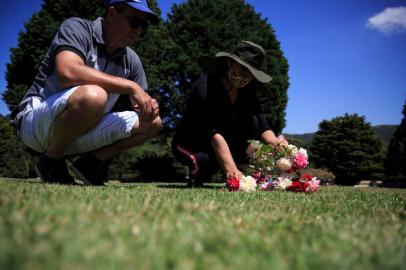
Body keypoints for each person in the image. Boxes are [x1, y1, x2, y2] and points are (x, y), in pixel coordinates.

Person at [10, 0, 162, 186]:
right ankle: (51, 160)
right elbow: (68, 72)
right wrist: (131, 86)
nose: (138, 31)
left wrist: (149, 105)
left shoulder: (131, 59)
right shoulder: (77, 28)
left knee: (153, 122)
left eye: (143, 26)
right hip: (36, 124)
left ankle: (91, 163)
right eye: (135, 22)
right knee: (94, 95)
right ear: (112, 13)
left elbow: (143, 100)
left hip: (82, 129)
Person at [172, 41, 287, 187]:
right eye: (242, 68)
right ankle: (197, 173)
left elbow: (263, 125)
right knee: (203, 161)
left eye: (250, 72)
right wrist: (231, 171)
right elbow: (214, 133)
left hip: (222, 143)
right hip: (190, 142)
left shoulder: (247, 91)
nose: (245, 75)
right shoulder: (206, 87)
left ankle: (248, 168)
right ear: (229, 62)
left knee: (253, 122)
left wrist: (280, 147)